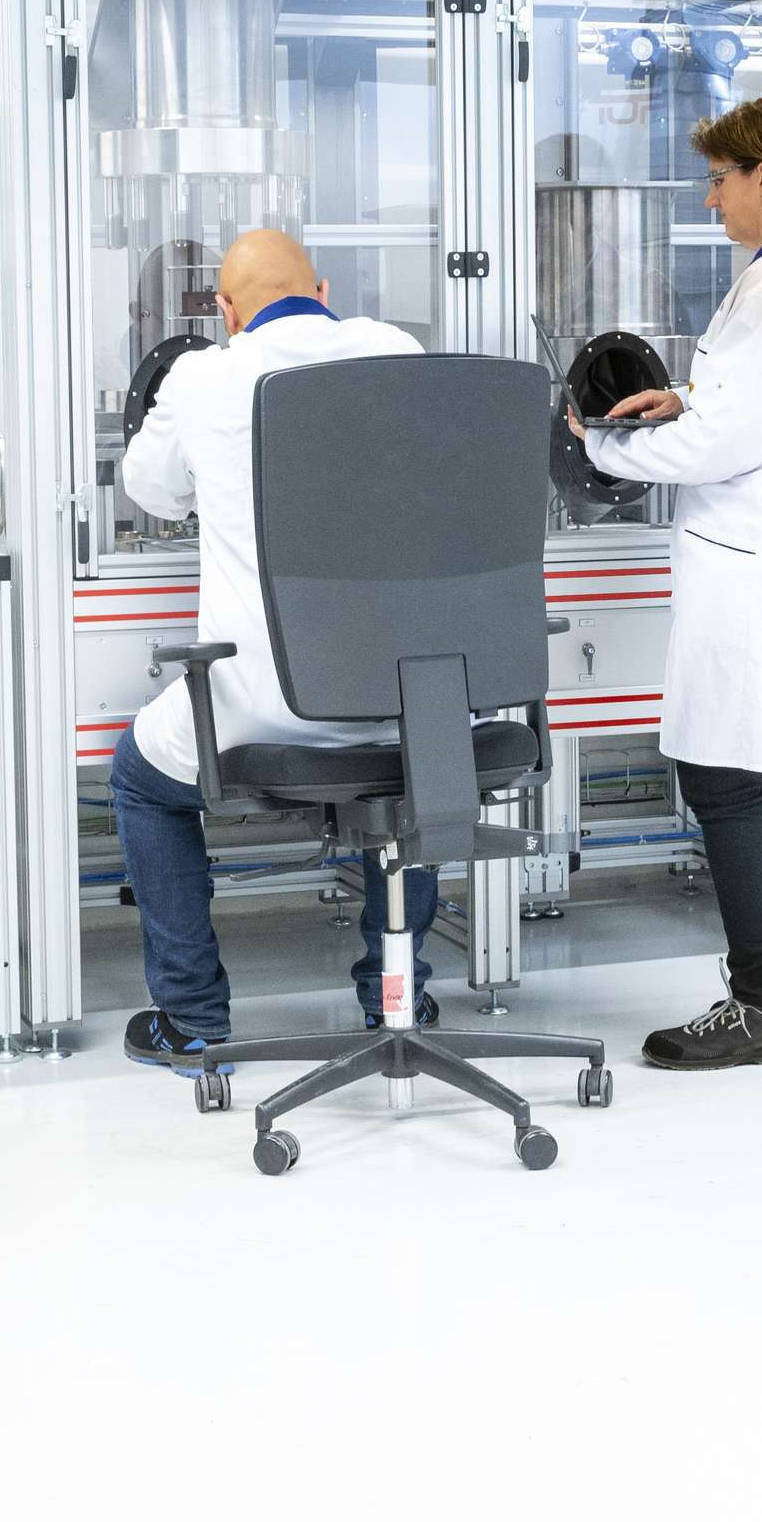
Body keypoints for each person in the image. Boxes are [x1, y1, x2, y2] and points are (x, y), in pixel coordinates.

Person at [572, 94, 762, 1070]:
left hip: (758, 566)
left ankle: (756, 1006)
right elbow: (761, 407)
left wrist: (601, 446)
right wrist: (692, 396)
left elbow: (726, 444)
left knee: (724, 774)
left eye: (719, 177)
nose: (711, 198)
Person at [106, 228, 441, 1072]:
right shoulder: (396, 351)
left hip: (262, 708)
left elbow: (147, 487)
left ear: (225, 312)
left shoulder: (204, 375)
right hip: (407, 701)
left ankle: (191, 1015)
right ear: (323, 289)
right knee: (422, 769)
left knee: (140, 780)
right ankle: (397, 992)